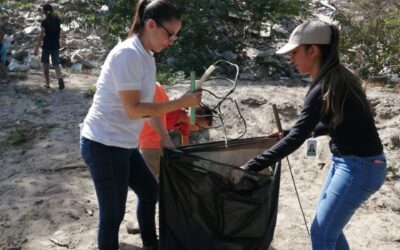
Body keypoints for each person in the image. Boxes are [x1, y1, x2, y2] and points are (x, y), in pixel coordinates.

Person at [242, 21, 386, 250]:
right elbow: (332, 125)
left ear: (314, 50)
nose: (291, 59)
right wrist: (289, 132)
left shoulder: (324, 87)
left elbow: (297, 139)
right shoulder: (339, 78)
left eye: (295, 52)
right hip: (354, 164)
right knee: (329, 232)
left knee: (321, 234)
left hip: (359, 167)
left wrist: (252, 165)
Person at [79, 1, 201, 249]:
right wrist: (180, 102)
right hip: (103, 144)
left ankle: (150, 243)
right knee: (112, 216)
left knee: (149, 192)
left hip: (124, 144)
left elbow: (151, 103)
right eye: (169, 34)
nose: (170, 41)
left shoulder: (147, 56)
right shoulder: (127, 54)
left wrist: (165, 140)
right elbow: (134, 110)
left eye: (175, 37)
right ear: (151, 24)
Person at [139, 82, 213, 180]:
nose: (198, 129)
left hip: (160, 146)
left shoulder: (184, 126)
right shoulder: (173, 111)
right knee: (150, 183)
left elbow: (186, 147)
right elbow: (150, 115)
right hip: (150, 145)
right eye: (199, 126)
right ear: (193, 118)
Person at [34, 3, 64, 90]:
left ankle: (47, 84)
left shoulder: (45, 22)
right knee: (56, 63)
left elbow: (41, 35)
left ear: (44, 12)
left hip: (47, 46)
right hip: (55, 45)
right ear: (52, 10)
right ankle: (59, 78)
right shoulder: (57, 19)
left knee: (46, 65)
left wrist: (37, 47)